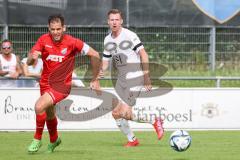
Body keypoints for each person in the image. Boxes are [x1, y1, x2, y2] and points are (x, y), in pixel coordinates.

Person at [27, 14, 101, 153]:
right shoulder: (43, 40)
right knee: (49, 113)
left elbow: (95, 54)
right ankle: (54, 139)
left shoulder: (72, 42)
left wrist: (95, 79)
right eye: (53, 29)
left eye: (58, 29)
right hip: (45, 84)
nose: (56, 32)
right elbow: (29, 62)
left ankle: (37, 139)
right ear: (48, 28)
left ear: (64, 28)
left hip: (61, 86)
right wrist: (32, 57)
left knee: (39, 106)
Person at [101, 9, 164, 147]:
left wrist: (147, 77)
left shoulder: (129, 35)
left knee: (124, 112)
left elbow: (144, 55)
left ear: (121, 21)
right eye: (112, 20)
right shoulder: (107, 39)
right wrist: (98, 75)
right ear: (108, 22)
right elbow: (105, 61)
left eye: (117, 19)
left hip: (135, 77)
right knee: (117, 114)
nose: (114, 22)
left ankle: (154, 120)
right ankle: (132, 140)